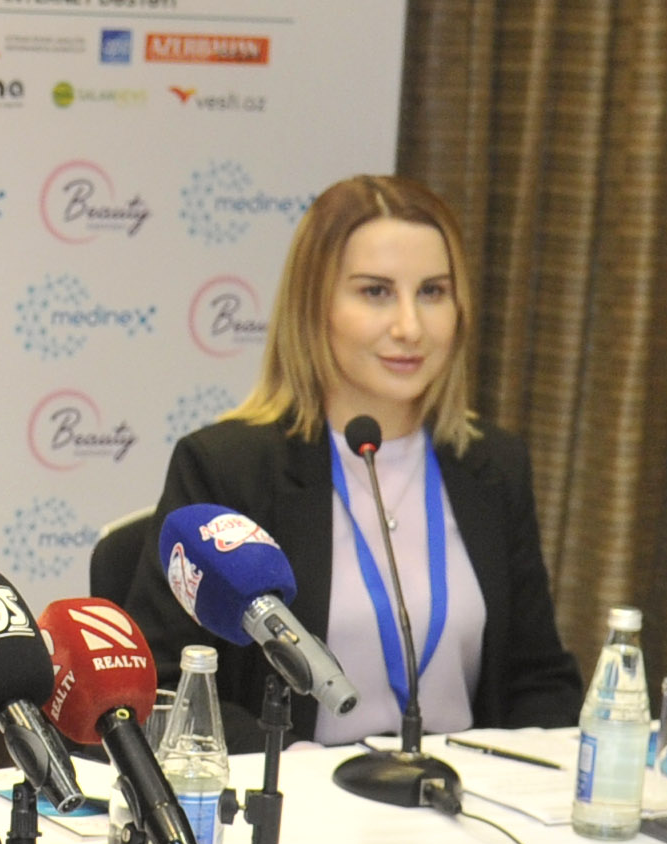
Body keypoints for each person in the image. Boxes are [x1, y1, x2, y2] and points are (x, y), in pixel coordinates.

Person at [123, 172, 582, 746]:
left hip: (458, 790)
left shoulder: (491, 465)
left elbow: (538, 678)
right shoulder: (227, 468)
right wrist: (301, 769)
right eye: (376, 292)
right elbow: (163, 688)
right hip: (297, 790)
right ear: (314, 306)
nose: (410, 327)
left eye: (432, 292)